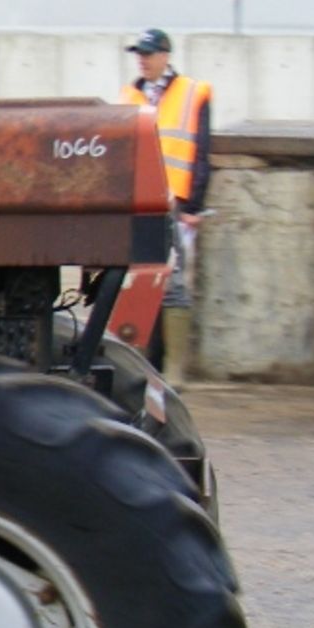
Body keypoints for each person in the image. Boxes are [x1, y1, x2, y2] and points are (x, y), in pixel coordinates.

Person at [122, 27, 211, 379]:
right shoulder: (130, 95)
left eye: (147, 53)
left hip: (173, 199)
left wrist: (194, 204)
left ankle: (174, 370)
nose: (142, 60)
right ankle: (141, 363)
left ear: (165, 56)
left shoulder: (192, 92)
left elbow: (201, 150)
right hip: (138, 200)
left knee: (173, 281)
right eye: (138, 54)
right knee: (140, 278)